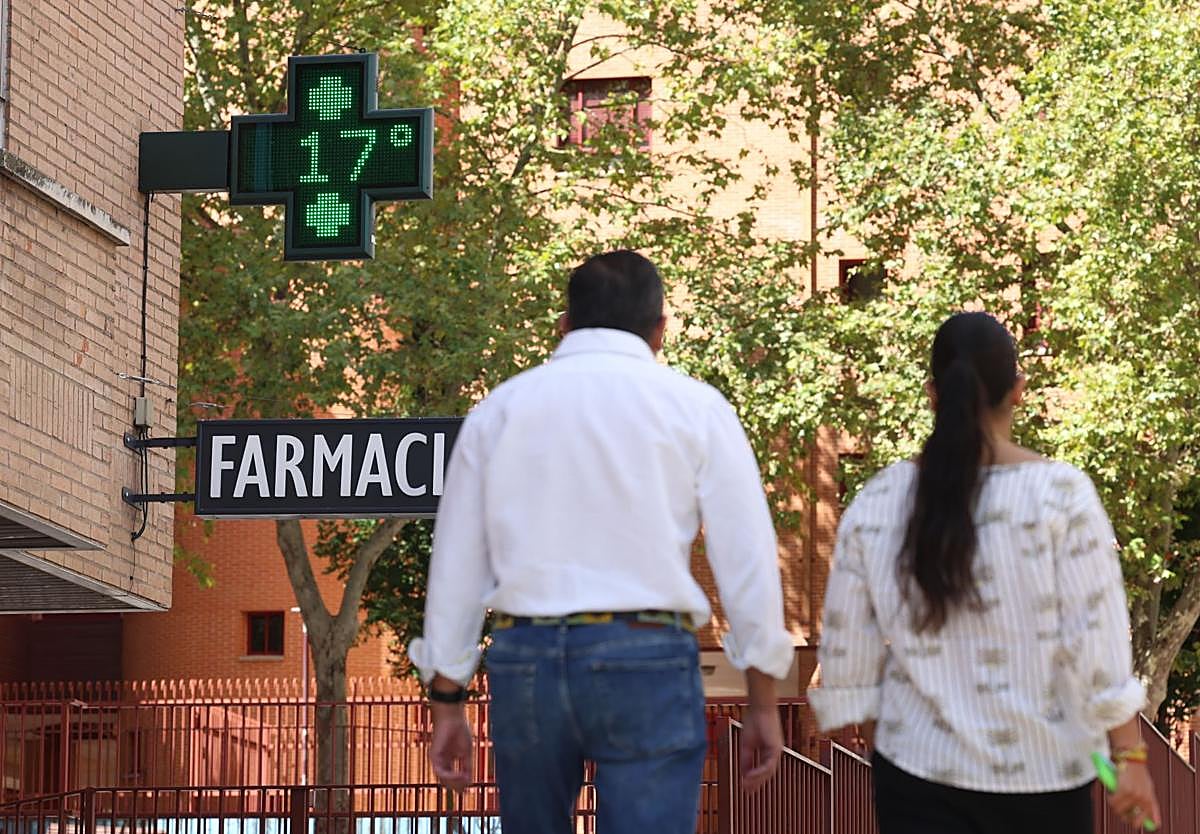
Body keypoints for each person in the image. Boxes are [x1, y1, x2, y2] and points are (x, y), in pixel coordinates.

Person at [407, 250, 794, 834]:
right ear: (659, 330)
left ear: (564, 325)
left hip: (526, 656)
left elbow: (457, 564)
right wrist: (762, 697)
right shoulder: (696, 408)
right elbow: (747, 558)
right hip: (648, 654)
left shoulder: (500, 411)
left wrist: (447, 700)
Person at [808, 311, 1160, 834]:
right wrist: (1128, 759)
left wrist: (893, 737)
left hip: (916, 779)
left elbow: (849, 659)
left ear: (933, 393)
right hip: (1046, 780)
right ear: (1018, 390)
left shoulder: (879, 500)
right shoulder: (1061, 495)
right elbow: (1098, 644)